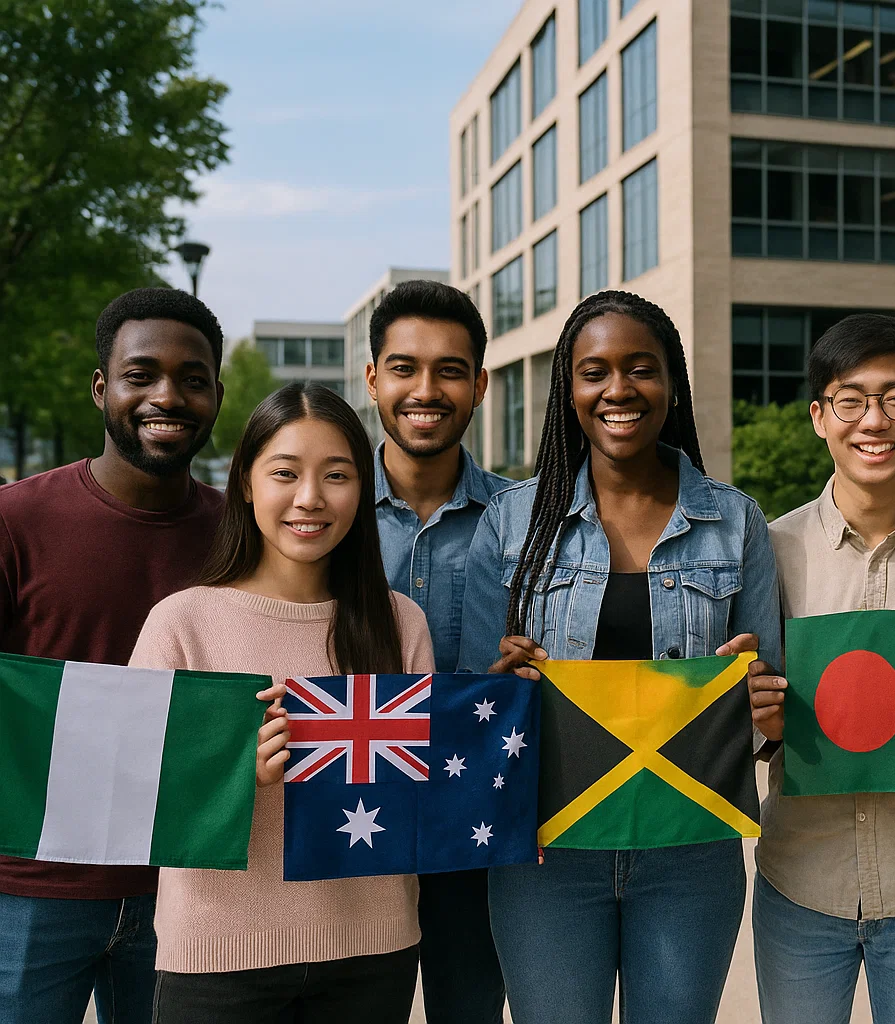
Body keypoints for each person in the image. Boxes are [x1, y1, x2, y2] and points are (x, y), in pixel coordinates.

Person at [457, 290, 782, 1024]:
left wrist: (762, 706)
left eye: (642, 369)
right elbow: (474, 705)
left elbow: (770, 717)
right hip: (546, 851)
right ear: (567, 390)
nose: (618, 390)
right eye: (594, 371)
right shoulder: (512, 522)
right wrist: (495, 689)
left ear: (672, 385)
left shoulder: (735, 520)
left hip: (690, 849)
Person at [132, 382, 433, 1023]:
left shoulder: (401, 623)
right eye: (285, 473)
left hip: (372, 951)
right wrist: (236, 777)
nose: (310, 499)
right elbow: (130, 798)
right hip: (216, 955)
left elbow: (426, 794)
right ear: (245, 483)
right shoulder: (181, 623)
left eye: (337, 475)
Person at [748, 314, 895, 1024]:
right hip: (799, 883)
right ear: (820, 416)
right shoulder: (766, 552)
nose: (873, 421)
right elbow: (737, 727)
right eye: (850, 400)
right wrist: (755, 720)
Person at [0, 287, 225, 1024]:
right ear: (102, 388)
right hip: (30, 891)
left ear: (217, 396)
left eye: (193, 379)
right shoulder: (16, 520)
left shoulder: (245, 537)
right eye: (142, 374)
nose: (168, 395)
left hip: (188, 886)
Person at [365, 279, 511, 1023]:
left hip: (477, 832)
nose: (426, 389)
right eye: (404, 367)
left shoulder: (527, 523)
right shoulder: (321, 514)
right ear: (372, 380)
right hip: (353, 822)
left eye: (450, 369)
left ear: (481, 384)